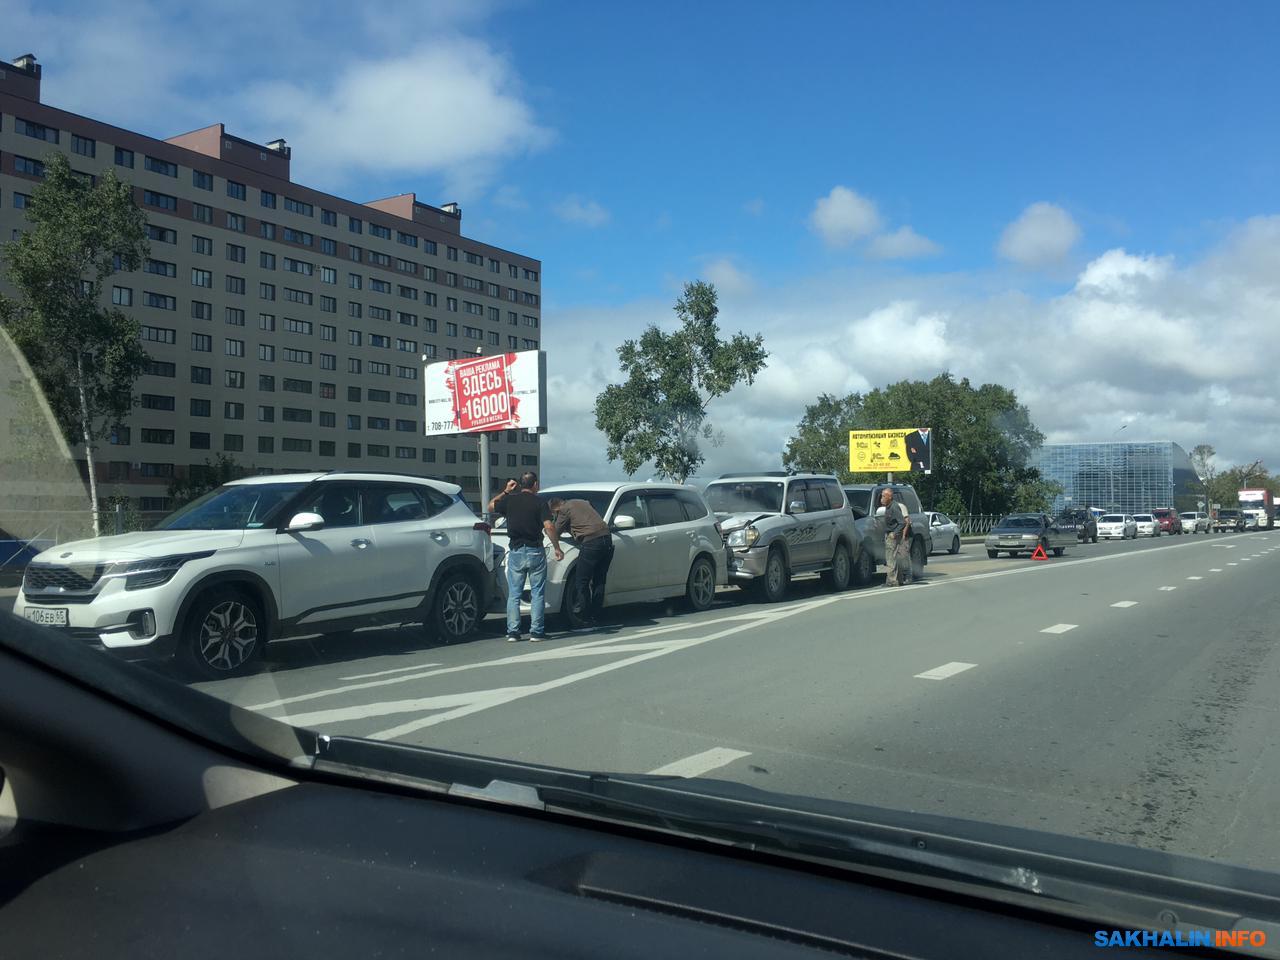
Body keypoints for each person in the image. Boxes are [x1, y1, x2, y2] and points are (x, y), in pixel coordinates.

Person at [489, 471, 562, 642]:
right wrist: (557, 548)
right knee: (537, 593)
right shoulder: (540, 503)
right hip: (535, 549)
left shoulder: (509, 500)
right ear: (535, 484)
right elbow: (549, 526)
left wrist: (506, 491)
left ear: (521, 484)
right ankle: (536, 631)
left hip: (515, 550)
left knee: (514, 593)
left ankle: (513, 632)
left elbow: (490, 506)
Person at [548, 496, 613, 626]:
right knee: (599, 580)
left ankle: (585, 616)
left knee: (581, 581)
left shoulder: (564, 510)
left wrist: (548, 527)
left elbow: (555, 531)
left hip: (591, 542)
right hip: (607, 539)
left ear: (555, 509)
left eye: (554, 514)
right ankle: (597, 614)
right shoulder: (584, 502)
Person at [881, 487, 913, 586]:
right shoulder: (889, 506)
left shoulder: (894, 507)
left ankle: (892, 581)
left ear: (889, 497)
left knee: (890, 558)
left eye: (883, 496)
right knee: (894, 558)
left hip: (893, 536)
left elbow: (903, 522)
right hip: (892, 535)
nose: (881, 498)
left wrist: (894, 533)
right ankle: (898, 580)